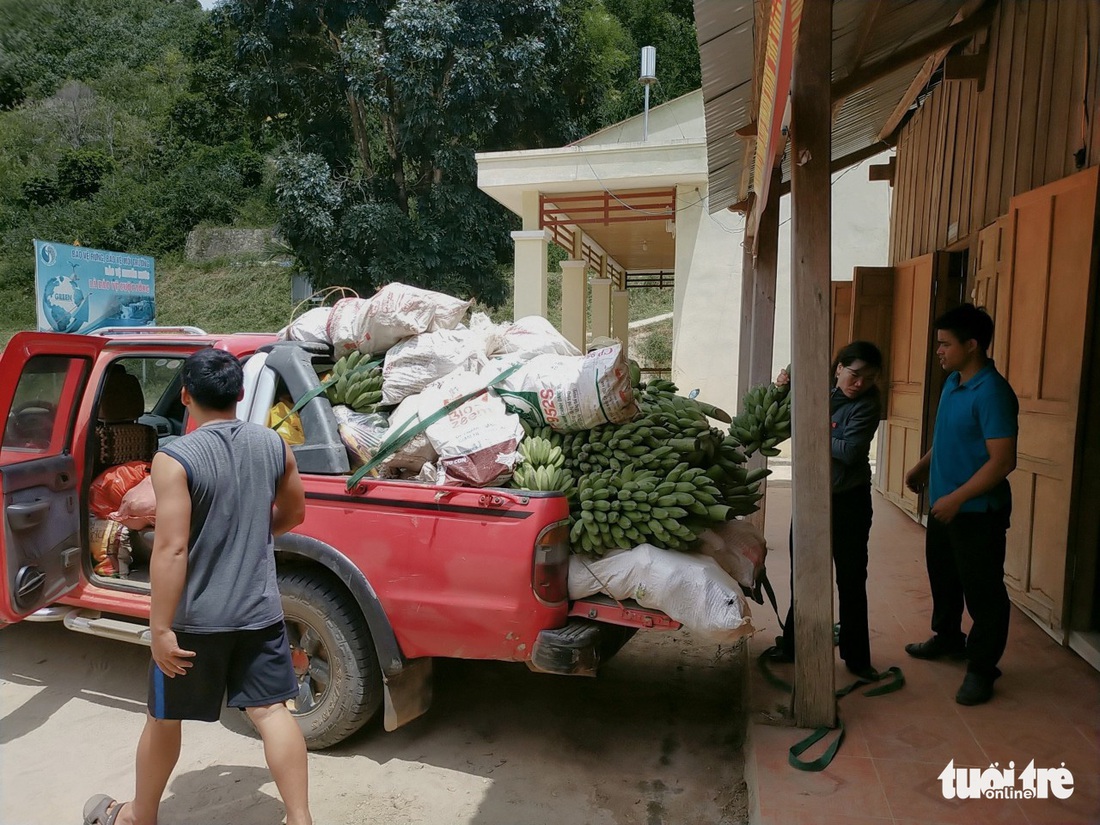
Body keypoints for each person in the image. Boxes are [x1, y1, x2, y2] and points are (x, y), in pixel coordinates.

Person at [83, 348, 310, 825]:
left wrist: (161, 629)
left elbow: (171, 550)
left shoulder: (175, 457)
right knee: (272, 712)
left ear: (184, 395)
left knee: (164, 720)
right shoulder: (274, 445)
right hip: (259, 612)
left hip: (196, 622)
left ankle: (138, 817)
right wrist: (248, 531)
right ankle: (300, 818)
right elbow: (293, 516)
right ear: (241, 394)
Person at [904, 304, 1018, 706]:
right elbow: (949, 437)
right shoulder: (954, 382)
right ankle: (948, 638)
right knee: (944, 579)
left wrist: (956, 498)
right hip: (945, 507)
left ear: (972, 345)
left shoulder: (992, 392)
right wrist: (922, 467)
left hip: (975, 513)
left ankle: (983, 668)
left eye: (945, 344)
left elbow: (1003, 460)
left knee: (983, 593)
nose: (939, 350)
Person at [771, 341, 884, 679]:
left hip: (848, 501)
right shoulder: (813, 392)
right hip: (811, 497)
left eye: (869, 377)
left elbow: (849, 451)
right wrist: (780, 392)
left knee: (850, 579)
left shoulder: (868, 404)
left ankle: (857, 657)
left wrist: (812, 427)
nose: (860, 383)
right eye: (854, 374)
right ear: (839, 369)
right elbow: (781, 422)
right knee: (802, 575)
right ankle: (793, 644)